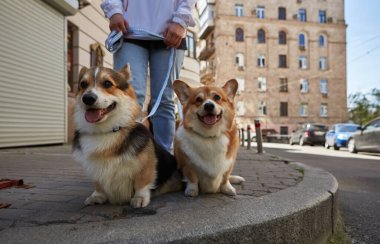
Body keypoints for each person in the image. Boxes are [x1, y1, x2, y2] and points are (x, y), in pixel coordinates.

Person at [101, 0, 196, 152]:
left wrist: (181, 19)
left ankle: (166, 159)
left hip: (171, 32)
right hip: (129, 31)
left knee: (165, 99)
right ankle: (125, 159)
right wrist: (114, 11)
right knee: (128, 98)